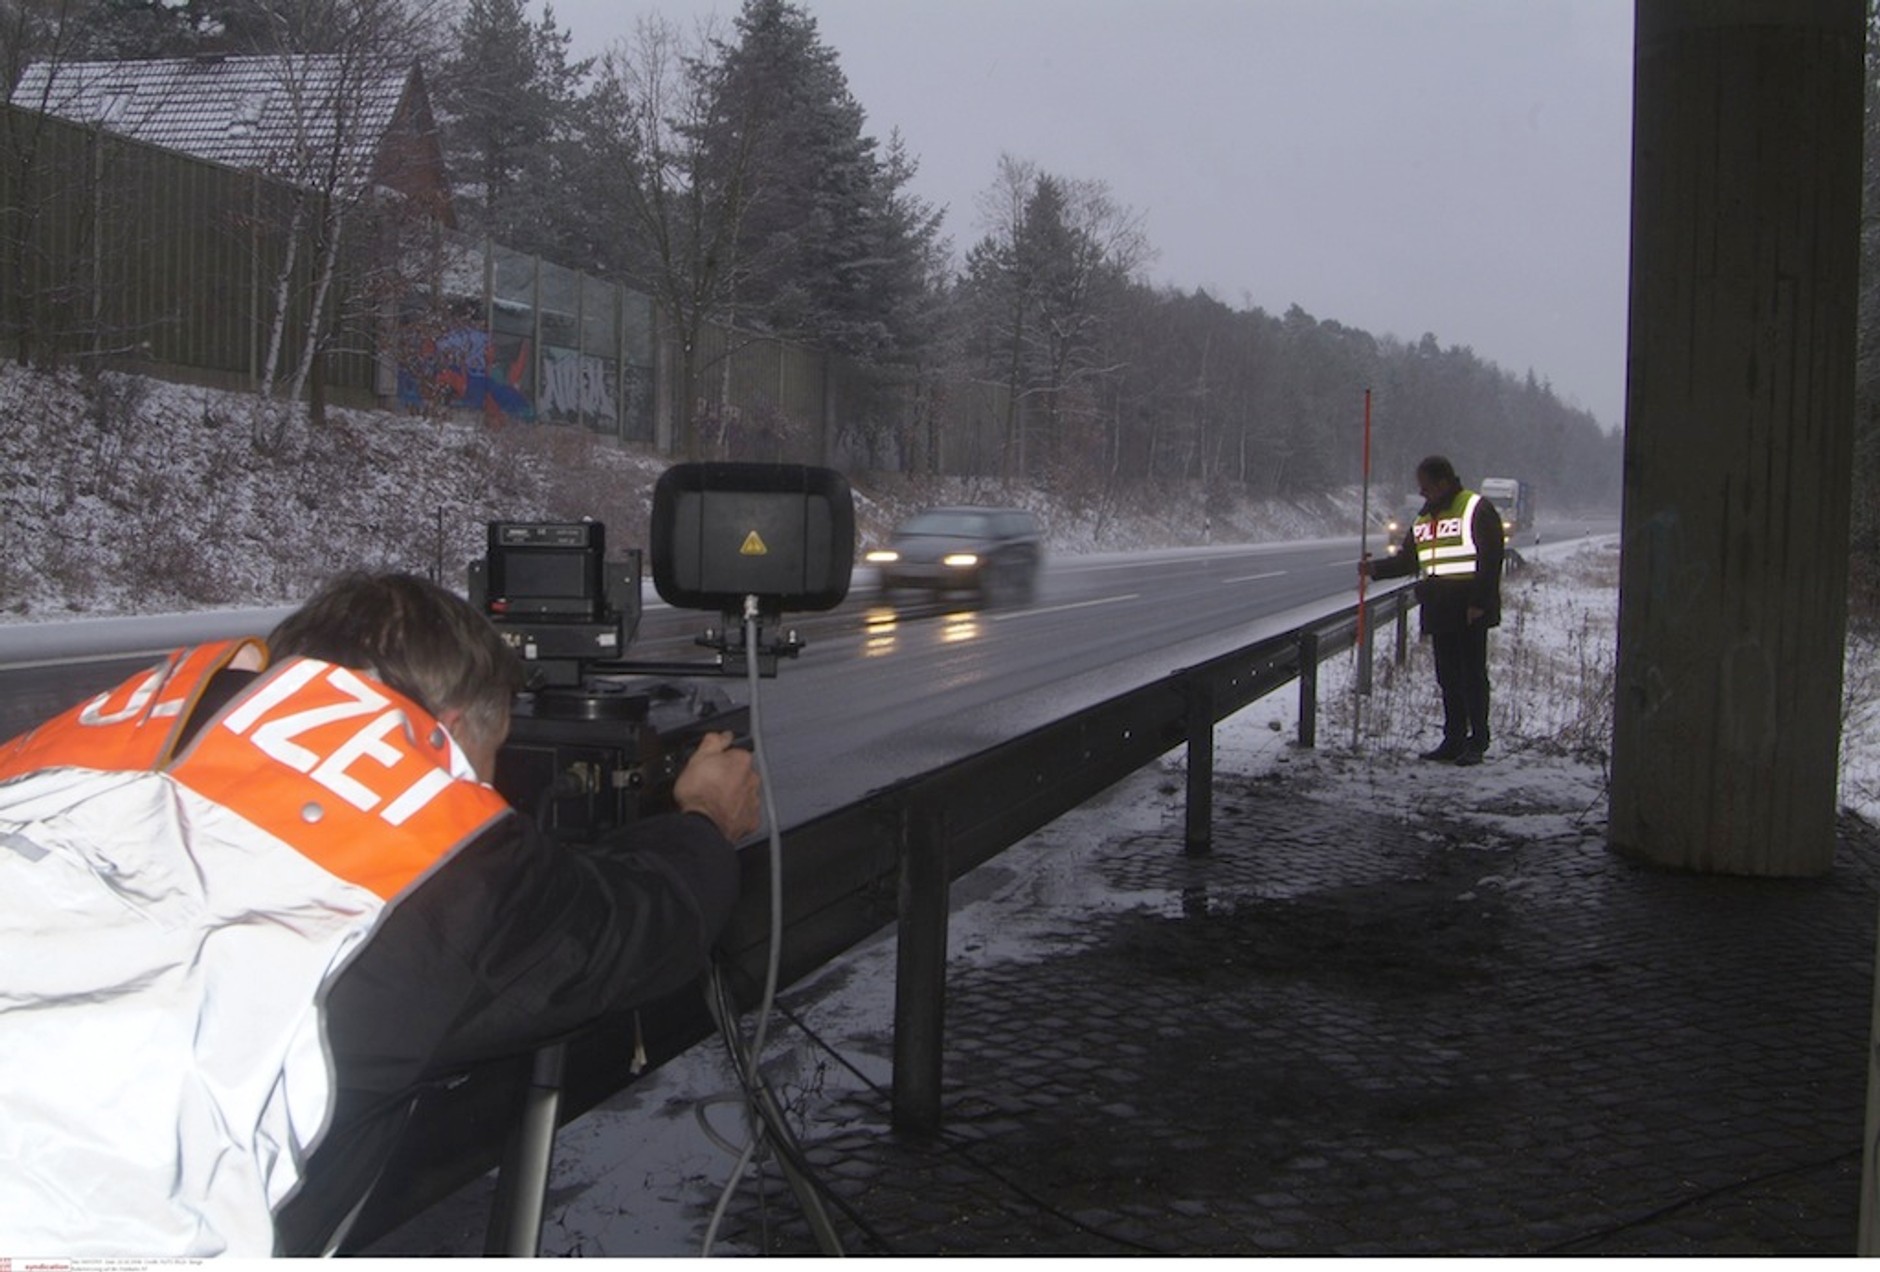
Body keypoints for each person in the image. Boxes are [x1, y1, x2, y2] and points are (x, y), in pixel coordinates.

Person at [0, 572, 759, 1257]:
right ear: (452, 727)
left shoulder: (111, 728)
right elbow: (632, 930)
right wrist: (704, 819)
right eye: (493, 754)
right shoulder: (432, 855)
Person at [1359, 455, 1505, 765]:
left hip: (1468, 608)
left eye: (1425, 486)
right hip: (1439, 607)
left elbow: (1491, 559)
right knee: (1448, 678)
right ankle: (1453, 739)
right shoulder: (1424, 519)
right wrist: (1374, 569)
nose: (1422, 492)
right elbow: (1408, 561)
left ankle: (1477, 742)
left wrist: (1479, 603)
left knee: (1472, 677)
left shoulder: (1475, 508)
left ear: (1443, 482)